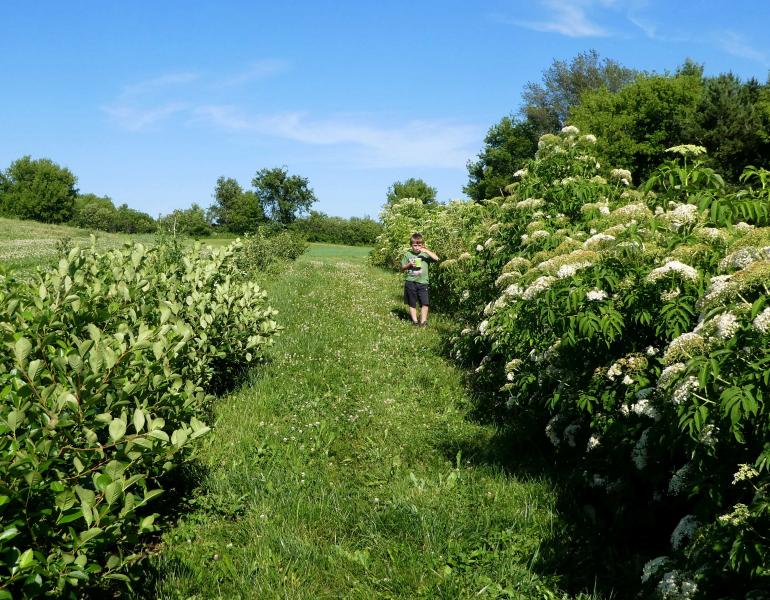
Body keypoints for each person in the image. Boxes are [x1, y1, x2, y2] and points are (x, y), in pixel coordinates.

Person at [400, 233, 439, 326]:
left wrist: (426, 250)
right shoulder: (407, 254)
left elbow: (437, 259)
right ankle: (415, 321)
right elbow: (402, 269)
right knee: (412, 303)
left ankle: (423, 322)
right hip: (410, 281)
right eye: (415, 245)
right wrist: (409, 265)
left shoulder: (425, 254)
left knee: (425, 303)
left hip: (423, 282)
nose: (417, 247)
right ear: (411, 245)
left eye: (419, 245)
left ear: (422, 245)